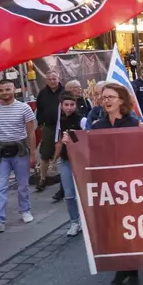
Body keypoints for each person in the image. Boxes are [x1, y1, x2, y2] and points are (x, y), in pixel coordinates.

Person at [93, 83, 141, 285]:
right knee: (113, 229)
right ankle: (120, 269)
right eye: (104, 97)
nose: (107, 100)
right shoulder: (97, 126)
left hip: (129, 184)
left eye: (111, 96)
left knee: (129, 228)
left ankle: (133, 272)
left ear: (121, 100)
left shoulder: (133, 123)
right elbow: (86, 147)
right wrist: (70, 139)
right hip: (107, 185)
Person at [0, 79, 37, 232]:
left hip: (20, 151)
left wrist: (33, 154)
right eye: (1, 90)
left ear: (14, 89)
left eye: (7, 89)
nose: (4, 93)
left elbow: (31, 133)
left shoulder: (24, 108)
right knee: (0, 186)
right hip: (1, 152)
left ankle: (25, 210)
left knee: (23, 184)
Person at [53, 92, 84, 237]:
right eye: (66, 105)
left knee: (82, 194)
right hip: (66, 161)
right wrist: (54, 160)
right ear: (61, 105)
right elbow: (59, 141)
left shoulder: (81, 119)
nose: (69, 108)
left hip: (81, 161)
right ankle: (74, 222)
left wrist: (72, 137)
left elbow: (86, 141)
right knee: (69, 195)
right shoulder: (59, 120)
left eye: (72, 105)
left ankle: (85, 221)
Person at [36, 70, 64, 192]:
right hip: (49, 127)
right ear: (46, 80)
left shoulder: (65, 91)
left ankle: (65, 182)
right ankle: (42, 179)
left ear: (58, 78)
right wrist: (41, 123)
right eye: (50, 79)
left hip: (64, 126)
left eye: (54, 78)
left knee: (65, 154)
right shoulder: (42, 93)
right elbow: (39, 109)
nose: (52, 81)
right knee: (45, 153)